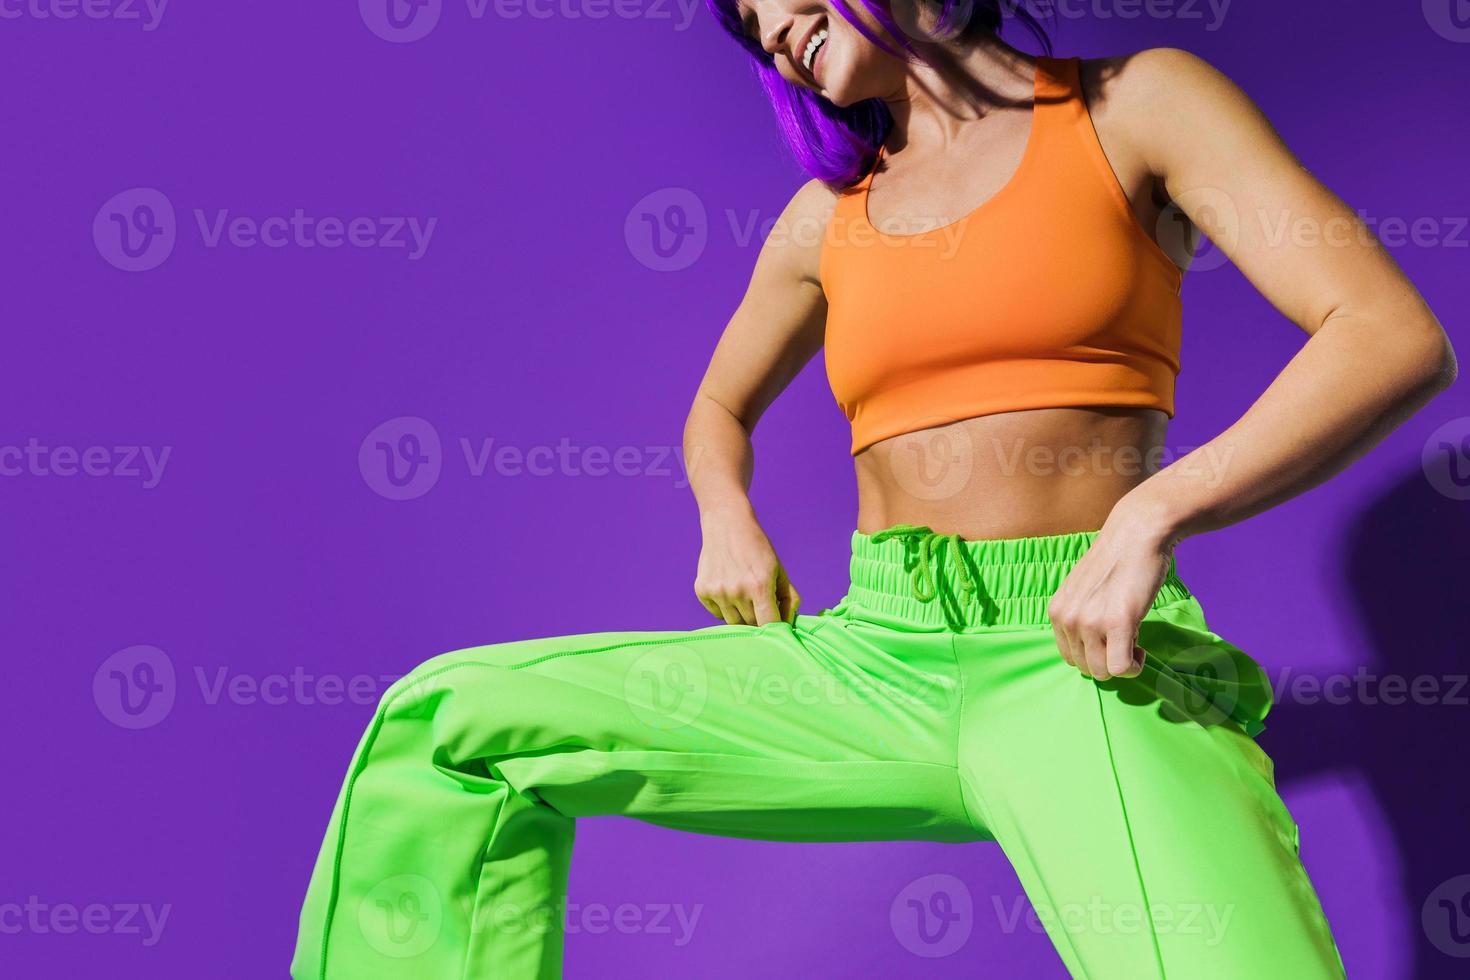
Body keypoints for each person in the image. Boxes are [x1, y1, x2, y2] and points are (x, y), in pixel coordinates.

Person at [290, 2, 1457, 977]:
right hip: (870, 655)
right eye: (750, 24)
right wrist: (726, 512)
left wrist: (1156, 509)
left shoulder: (1135, 106)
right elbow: (716, 410)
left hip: (1080, 658)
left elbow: (1387, 334)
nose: (769, 23)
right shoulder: (824, 221)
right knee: (454, 725)